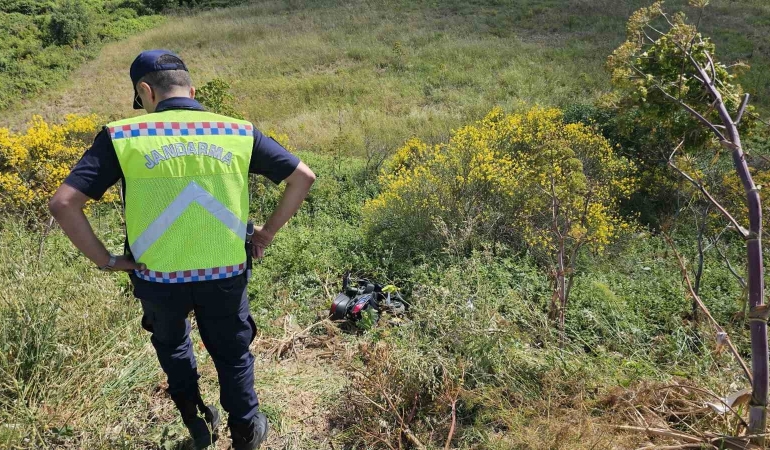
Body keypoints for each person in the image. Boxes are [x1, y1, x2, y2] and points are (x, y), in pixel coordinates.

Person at [49, 49, 316, 450]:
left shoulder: (122, 137)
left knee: (173, 349)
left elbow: (63, 203)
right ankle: (245, 432)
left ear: (145, 91)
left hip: (157, 277)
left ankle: (197, 424)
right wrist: (265, 235)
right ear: (191, 89)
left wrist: (105, 260)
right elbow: (303, 177)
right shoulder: (237, 131)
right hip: (225, 274)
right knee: (232, 353)